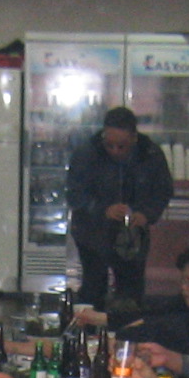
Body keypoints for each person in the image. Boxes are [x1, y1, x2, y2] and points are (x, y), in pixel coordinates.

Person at [66, 106, 174, 311]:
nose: (115, 150)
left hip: (132, 236)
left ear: (134, 138)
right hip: (92, 232)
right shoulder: (87, 153)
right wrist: (102, 210)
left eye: (121, 146)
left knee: (130, 295)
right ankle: (90, 328)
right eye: (109, 145)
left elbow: (163, 191)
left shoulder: (150, 154)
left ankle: (126, 328)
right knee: (93, 289)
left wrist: (146, 214)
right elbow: (74, 193)